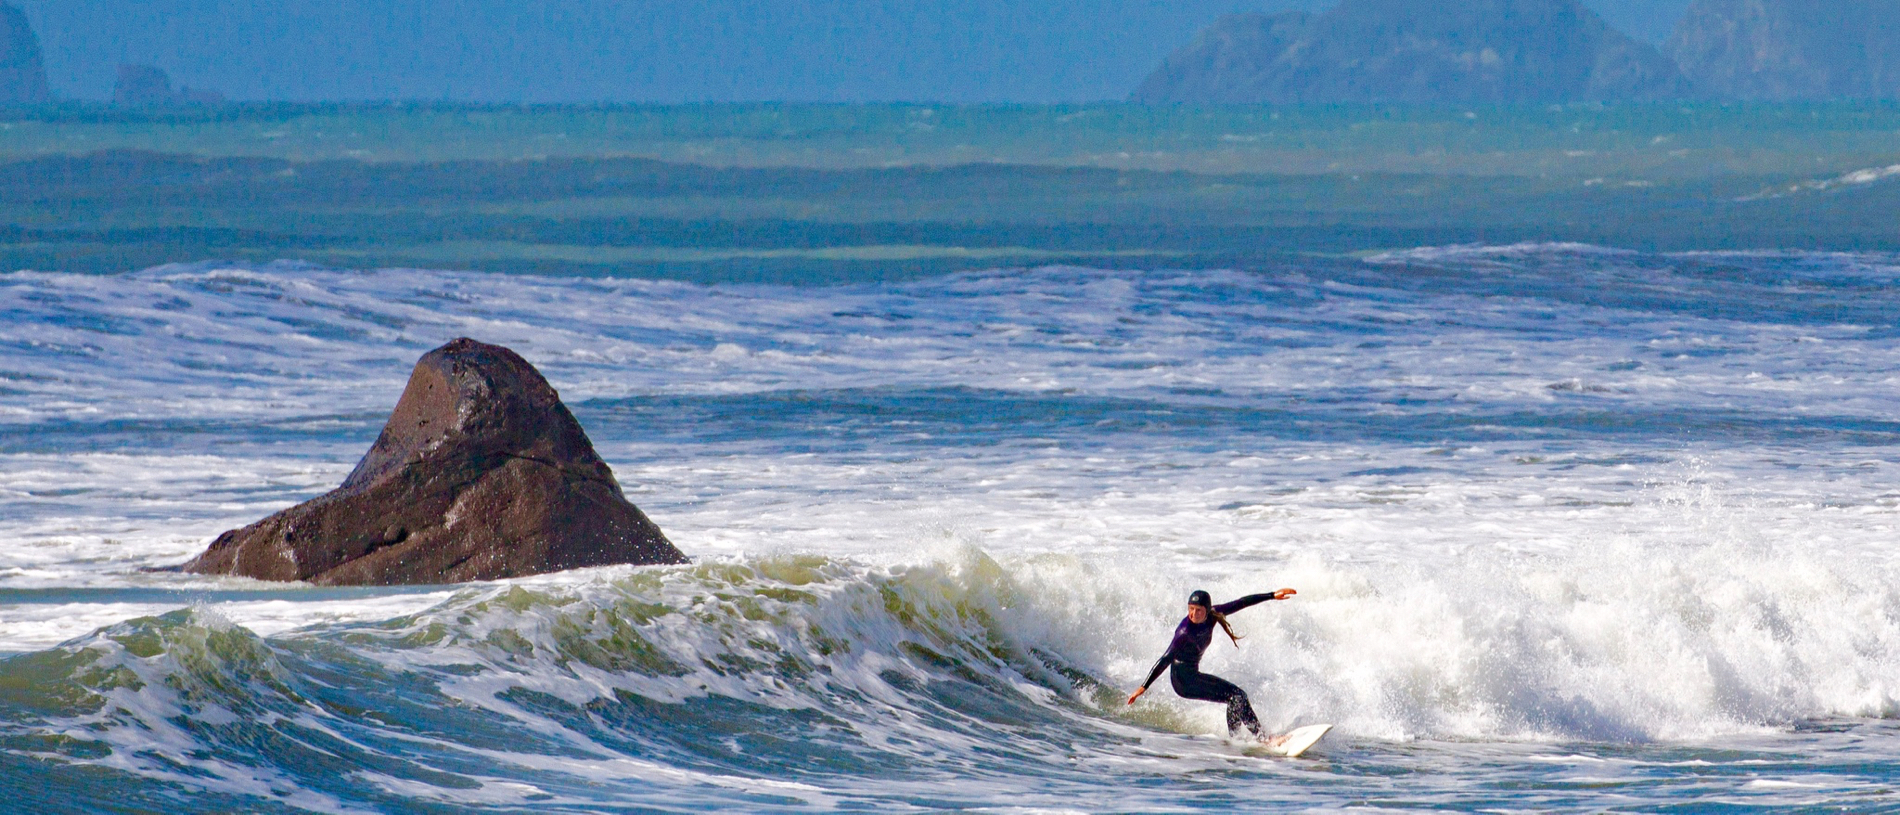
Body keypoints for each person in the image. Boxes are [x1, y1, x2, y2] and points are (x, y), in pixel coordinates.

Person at [1125, 587, 1296, 742]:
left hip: (1193, 675)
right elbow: (1165, 659)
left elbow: (1241, 603)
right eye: (1190, 609)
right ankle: (1263, 739)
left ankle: (1236, 741)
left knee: (1235, 698)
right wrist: (1143, 687)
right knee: (1237, 696)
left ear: (1207, 610)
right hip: (1183, 681)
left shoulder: (1213, 615)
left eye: (1198, 610)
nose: (1193, 614)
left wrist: (1272, 595)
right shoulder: (1184, 633)